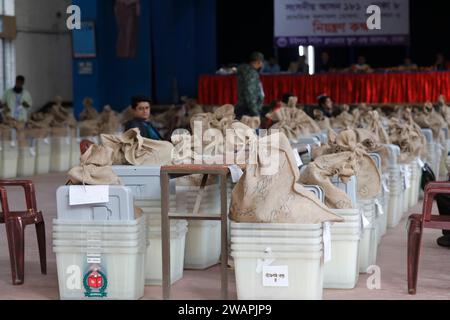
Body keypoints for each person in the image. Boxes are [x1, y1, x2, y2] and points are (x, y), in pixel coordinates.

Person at [235, 52, 265, 119]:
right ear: (258, 62)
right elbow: (250, 93)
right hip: (248, 110)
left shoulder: (246, 71)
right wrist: (255, 112)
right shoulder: (251, 73)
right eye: (262, 62)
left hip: (244, 107)